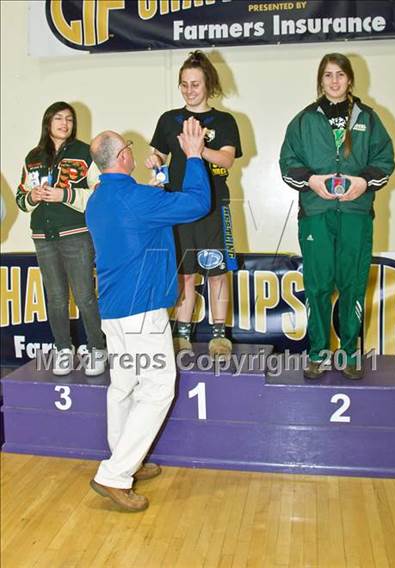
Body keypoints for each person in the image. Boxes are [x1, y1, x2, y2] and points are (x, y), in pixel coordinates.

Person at [86, 118, 210, 512]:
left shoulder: (98, 199)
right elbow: (197, 203)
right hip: (141, 313)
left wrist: (153, 191)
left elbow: (138, 216)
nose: (132, 152)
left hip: (113, 310)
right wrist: (193, 156)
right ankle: (115, 474)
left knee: (123, 386)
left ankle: (126, 460)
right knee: (157, 390)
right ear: (123, 158)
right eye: (129, 149)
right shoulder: (138, 199)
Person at [280, 53, 395, 380]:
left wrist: (364, 182)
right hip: (316, 214)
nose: (334, 81)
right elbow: (288, 164)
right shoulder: (303, 120)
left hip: (356, 215)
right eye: (328, 75)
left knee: (352, 284)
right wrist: (311, 181)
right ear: (321, 80)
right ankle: (318, 353)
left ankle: (348, 353)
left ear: (349, 80)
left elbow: (385, 162)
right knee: (317, 285)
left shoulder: (369, 119)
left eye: (340, 75)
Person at [146, 50, 242, 360]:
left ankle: (219, 335)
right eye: (184, 84)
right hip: (178, 206)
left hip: (214, 205)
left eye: (195, 84)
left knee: (215, 271)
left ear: (208, 84)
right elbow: (159, 155)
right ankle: (182, 333)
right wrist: (155, 160)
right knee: (185, 272)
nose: (189, 90)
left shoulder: (224, 120)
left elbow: (227, 158)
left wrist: (198, 149)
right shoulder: (168, 119)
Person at [16, 101, 106, 376]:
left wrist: (65, 195)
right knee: (54, 298)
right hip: (42, 237)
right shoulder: (33, 156)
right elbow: (20, 199)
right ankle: (63, 349)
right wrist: (33, 196)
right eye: (58, 118)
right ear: (48, 122)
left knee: (84, 297)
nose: (64, 123)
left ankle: (96, 348)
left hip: (76, 235)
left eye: (69, 119)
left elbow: (101, 194)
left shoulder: (85, 153)